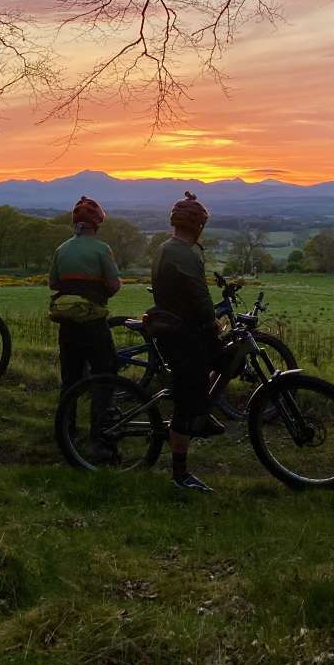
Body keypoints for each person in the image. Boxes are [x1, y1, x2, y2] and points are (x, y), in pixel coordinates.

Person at [149, 191, 231, 493]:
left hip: (172, 326)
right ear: (198, 226)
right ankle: (180, 475)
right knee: (185, 402)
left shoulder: (166, 246)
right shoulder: (185, 253)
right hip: (182, 333)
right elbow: (199, 294)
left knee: (221, 360)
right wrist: (212, 322)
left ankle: (202, 413)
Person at [48, 196, 123, 457]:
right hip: (93, 323)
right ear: (96, 224)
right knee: (105, 375)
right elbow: (113, 285)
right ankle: (100, 440)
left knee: (70, 379)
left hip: (68, 325)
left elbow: (53, 283)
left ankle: (66, 432)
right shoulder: (102, 249)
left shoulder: (61, 249)